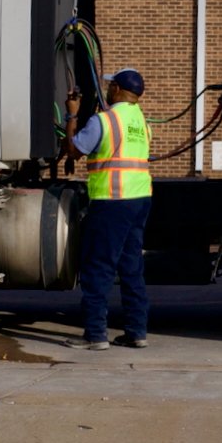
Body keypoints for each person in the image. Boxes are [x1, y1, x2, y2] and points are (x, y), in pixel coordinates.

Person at [62, 68, 153, 350]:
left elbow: (75, 150)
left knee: (98, 268)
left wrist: (72, 114)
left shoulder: (105, 120)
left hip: (111, 200)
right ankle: (137, 332)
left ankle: (95, 335)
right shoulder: (142, 122)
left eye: (110, 86)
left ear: (116, 90)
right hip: (139, 200)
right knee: (131, 268)